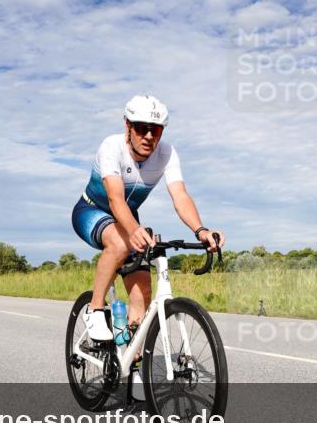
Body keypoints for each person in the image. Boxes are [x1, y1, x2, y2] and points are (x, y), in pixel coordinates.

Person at [71, 95, 224, 343]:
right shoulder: (111, 147)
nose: (149, 137)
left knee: (142, 294)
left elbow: (180, 195)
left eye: (156, 130)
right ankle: (95, 309)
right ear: (128, 126)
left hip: (128, 219)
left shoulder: (167, 153)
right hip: (91, 211)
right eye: (142, 129)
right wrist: (133, 229)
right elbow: (115, 200)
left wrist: (201, 230)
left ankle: (133, 360)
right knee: (120, 243)